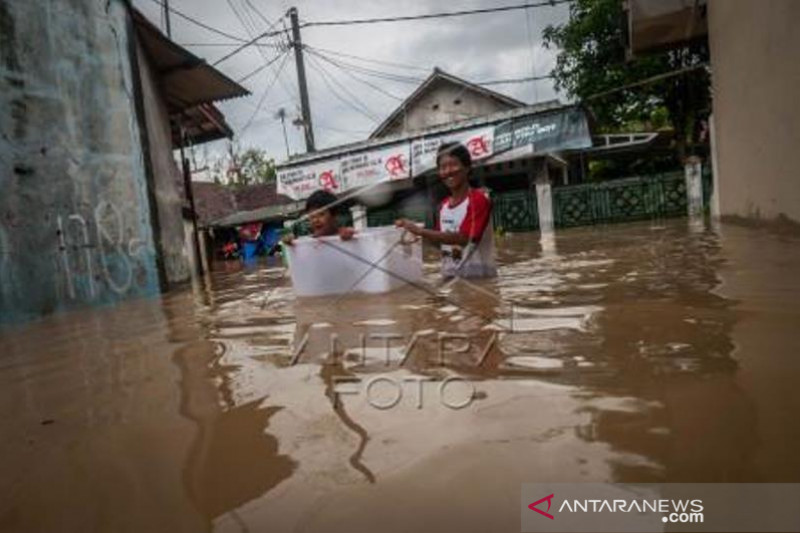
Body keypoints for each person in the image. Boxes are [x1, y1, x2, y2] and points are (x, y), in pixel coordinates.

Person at [396, 142, 497, 278]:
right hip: (450, 279)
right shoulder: (443, 206)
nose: (448, 171)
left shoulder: (478, 200)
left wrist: (420, 231)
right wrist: (417, 236)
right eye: (443, 167)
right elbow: (442, 242)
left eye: (454, 164)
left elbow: (464, 239)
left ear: (467, 167)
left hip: (480, 280)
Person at [282, 189, 355, 245]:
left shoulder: (347, 235)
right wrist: (292, 246)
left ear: (334, 215)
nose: (315, 220)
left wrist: (353, 238)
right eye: (312, 216)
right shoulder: (306, 243)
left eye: (321, 214)